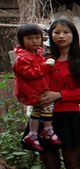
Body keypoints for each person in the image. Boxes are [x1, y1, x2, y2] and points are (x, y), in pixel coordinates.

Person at [38, 19, 80, 169]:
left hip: (70, 117)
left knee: (73, 164)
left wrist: (59, 95)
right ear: (50, 36)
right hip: (45, 116)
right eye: (56, 32)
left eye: (65, 32)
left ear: (74, 35)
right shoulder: (44, 61)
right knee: (50, 167)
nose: (61, 36)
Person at [12, 23, 61, 151]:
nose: (34, 41)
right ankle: (47, 131)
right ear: (22, 40)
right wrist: (46, 66)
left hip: (38, 88)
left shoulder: (38, 53)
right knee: (47, 106)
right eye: (29, 38)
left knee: (37, 110)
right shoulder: (22, 58)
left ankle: (33, 134)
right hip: (30, 90)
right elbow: (29, 73)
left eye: (37, 38)